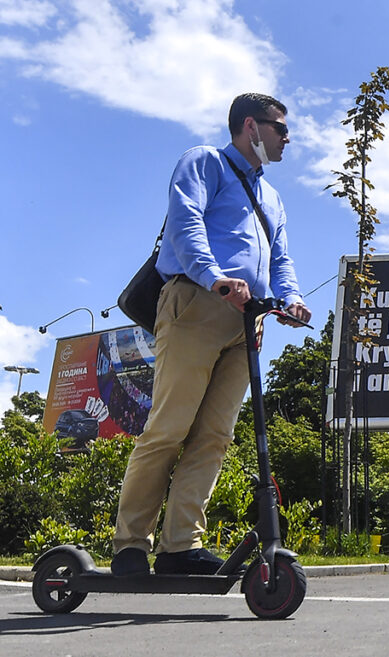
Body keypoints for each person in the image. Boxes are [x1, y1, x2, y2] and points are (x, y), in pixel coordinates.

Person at [110, 93, 312, 576]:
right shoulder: (205, 163)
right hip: (198, 302)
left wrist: (290, 298)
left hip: (249, 323)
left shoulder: (273, 198)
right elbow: (186, 223)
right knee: (169, 428)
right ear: (251, 126)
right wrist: (215, 276)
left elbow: (280, 261)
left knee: (214, 436)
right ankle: (130, 545)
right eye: (280, 129)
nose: (287, 139)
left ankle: (180, 546)